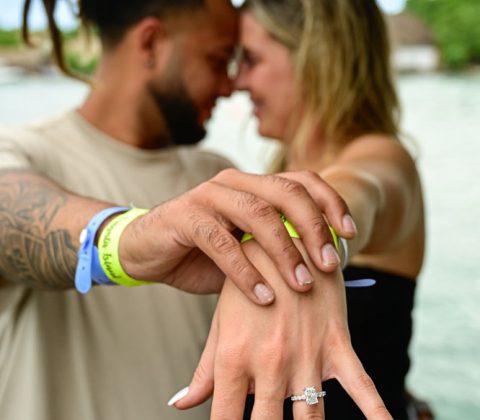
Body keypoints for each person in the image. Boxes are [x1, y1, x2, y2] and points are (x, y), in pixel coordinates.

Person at [0, 1, 370, 419]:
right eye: (218, 60)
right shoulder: (17, 150)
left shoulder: (217, 176)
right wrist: (131, 239)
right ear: (152, 43)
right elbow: (13, 220)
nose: (231, 86)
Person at [174, 0, 429, 419]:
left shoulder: (382, 158)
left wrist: (292, 237)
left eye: (251, 60)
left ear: (316, 59)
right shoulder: (283, 174)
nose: (237, 83)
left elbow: (357, 194)